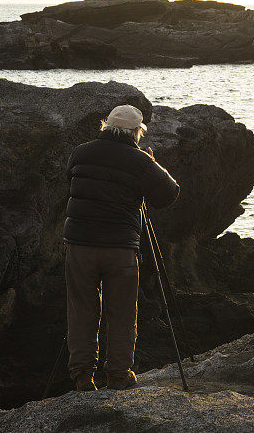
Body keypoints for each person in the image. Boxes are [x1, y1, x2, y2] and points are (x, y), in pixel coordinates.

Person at [63, 104, 180, 391]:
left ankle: (82, 377)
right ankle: (118, 375)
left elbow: (71, 181)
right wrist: (153, 163)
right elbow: (169, 193)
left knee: (81, 311)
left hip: (79, 245)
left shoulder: (80, 152)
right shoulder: (139, 160)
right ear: (136, 132)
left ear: (106, 126)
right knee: (122, 312)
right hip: (120, 248)